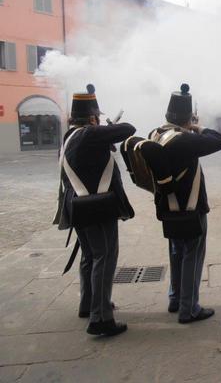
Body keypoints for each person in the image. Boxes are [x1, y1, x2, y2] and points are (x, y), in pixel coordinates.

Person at [53, 84, 136, 337]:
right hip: (96, 208)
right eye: (96, 117)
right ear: (91, 118)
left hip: (79, 207)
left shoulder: (71, 137)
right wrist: (103, 130)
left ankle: (88, 304)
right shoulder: (89, 134)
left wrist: (102, 134)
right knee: (105, 256)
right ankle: (100, 318)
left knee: (90, 256)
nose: (98, 120)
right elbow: (128, 129)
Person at [148, 84, 221, 324]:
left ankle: (176, 298)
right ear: (187, 118)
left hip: (168, 207)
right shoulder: (184, 140)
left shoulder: (156, 134)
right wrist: (197, 126)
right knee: (192, 255)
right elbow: (218, 140)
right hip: (191, 208)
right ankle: (189, 308)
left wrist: (187, 126)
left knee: (176, 253)